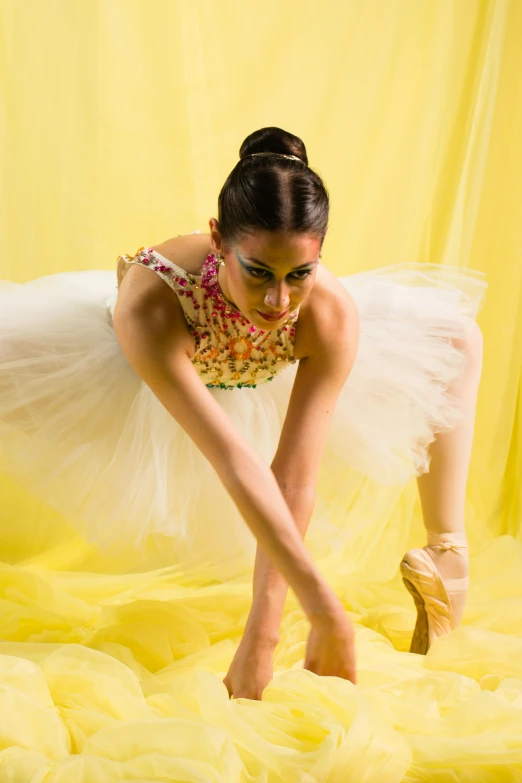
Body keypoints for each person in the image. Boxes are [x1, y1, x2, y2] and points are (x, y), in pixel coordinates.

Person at [0, 126, 487, 700]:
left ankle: (447, 556)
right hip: (137, 367)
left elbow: (293, 474)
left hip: (259, 375)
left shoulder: (326, 314)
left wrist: (264, 626)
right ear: (217, 240)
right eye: (258, 272)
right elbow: (235, 460)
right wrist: (324, 611)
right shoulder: (154, 299)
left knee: (455, 339)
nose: (279, 303)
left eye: (299, 275)